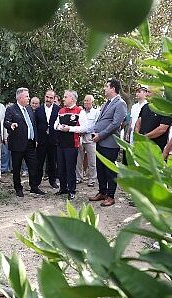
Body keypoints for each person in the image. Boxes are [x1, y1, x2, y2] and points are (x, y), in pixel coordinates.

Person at [89, 79, 127, 207]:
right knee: (100, 169)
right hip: (100, 142)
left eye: (106, 86)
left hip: (110, 143)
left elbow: (116, 124)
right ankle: (102, 192)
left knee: (110, 170)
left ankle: (111, 196)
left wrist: (100, 135)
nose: (104, 88)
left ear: (113, 88)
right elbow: (102, 120)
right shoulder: (107, 103)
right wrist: (95, 132)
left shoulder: (120, 103)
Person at [4, 87, 46, 197]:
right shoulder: (11, 109)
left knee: (34, 165)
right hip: (17, 144)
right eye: (27, 96)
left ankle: (34, 187)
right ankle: (18, 188)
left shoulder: (29, 109)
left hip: (30, 144)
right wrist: (11, 125)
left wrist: (35, 139)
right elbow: (6, 122)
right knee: (17, 168)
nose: (29, 98)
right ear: (20, 97)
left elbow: (33, 125)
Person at [53, 90, 88, 199]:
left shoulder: (79, 111)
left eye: (65, 97)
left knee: (70, 167)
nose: (63, 99)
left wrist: (70, 129)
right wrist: (60, 127)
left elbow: (85, 127)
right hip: (60, 143)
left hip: (72, 144)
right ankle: (63, 188)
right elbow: (55, 125)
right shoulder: (61, 111)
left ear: (72, 99)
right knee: (61, 167)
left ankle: (72, 190)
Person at [35, 90, 60, 189]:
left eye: (51, 98)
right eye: (47, 97)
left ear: (54, 99)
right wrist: (36, 139)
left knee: (52, 162)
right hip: (41, 140)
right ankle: (37, 182)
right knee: (39, 161)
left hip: (53, 140)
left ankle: (52, 181)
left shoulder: (58, 110)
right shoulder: (38, 110)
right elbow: (35, 125)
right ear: (44, 97)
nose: (48, 99)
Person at [76, 94, 100, 187]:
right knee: (78, 160)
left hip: (90, 138)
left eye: (88, 100)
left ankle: (92, 179)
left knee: (92, 160)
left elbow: (96, 125)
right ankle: (78, 177)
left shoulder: (96, 112)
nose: (86, 102)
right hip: (80, 138)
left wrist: (85, 130)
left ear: (92, 102)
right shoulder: (80, 112)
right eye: (85, 100)